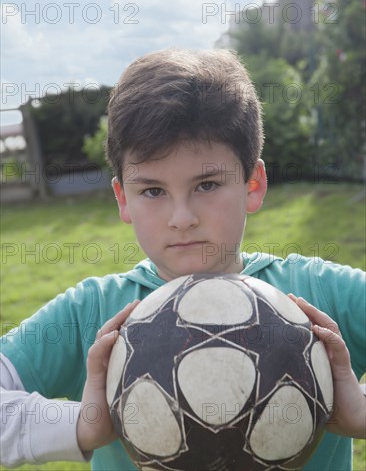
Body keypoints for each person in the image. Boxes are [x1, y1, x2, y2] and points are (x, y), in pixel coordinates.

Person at [1, 48, 365, 471]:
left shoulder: (320, 295)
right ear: (123, 199)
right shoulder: (93, 313)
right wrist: (81, 425)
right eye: (153, 191)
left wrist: (358, 411)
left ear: (253, 184)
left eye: (207, 185)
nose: (182, 219)